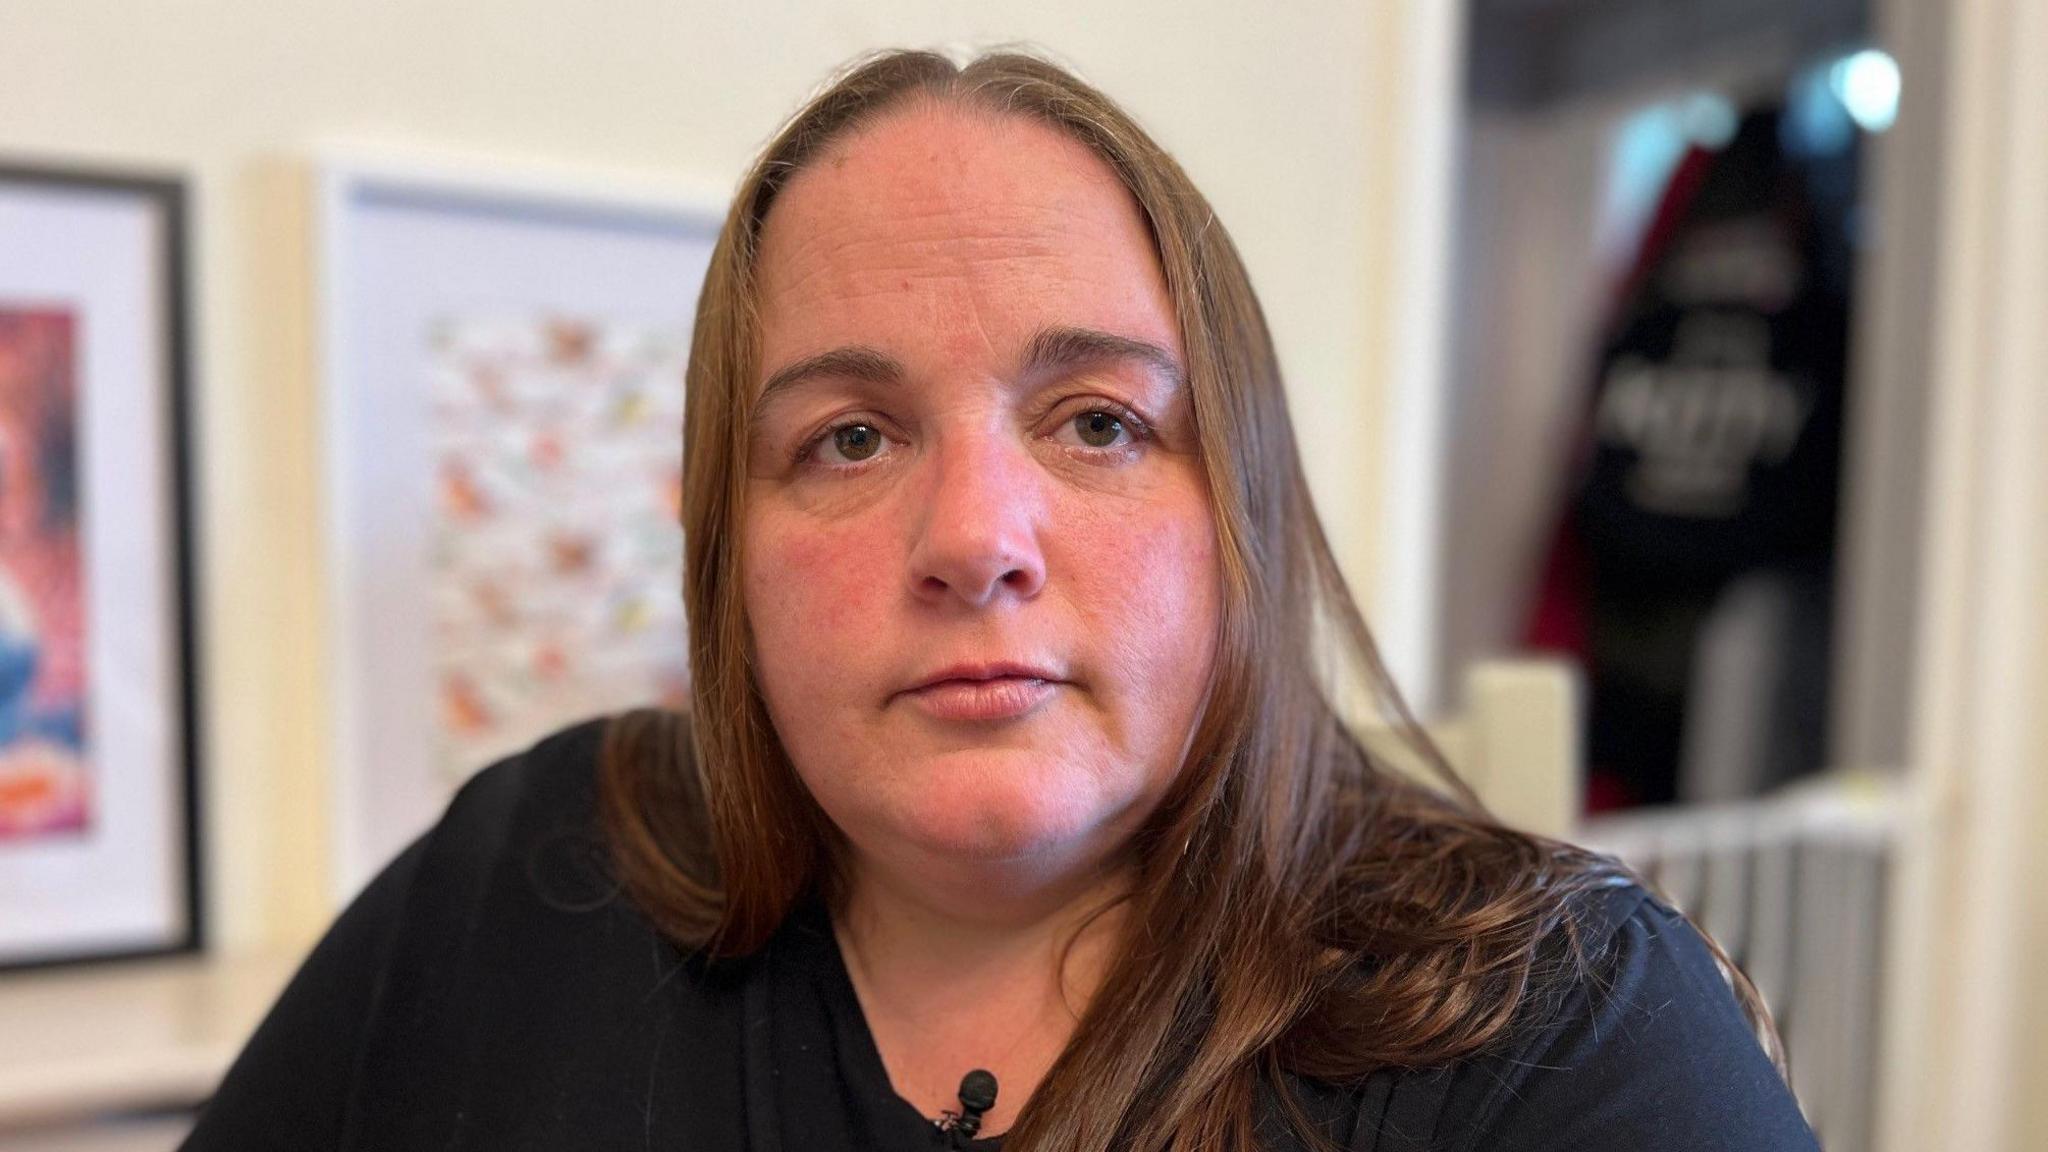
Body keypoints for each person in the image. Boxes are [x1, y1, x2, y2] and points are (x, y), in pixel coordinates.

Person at [182, 48, 1821, 1151]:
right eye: (848, 437)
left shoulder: (1565, 1036)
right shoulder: (523, 878)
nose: (977, 536)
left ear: (1234, 514)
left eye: (1098, 422)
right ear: (725, 555)